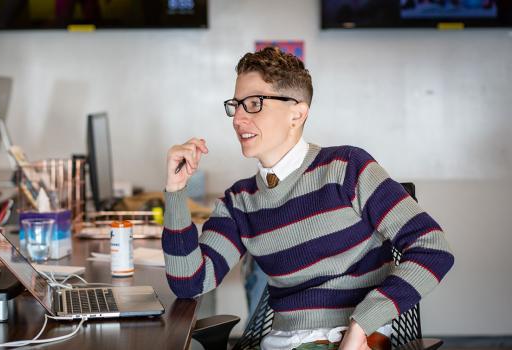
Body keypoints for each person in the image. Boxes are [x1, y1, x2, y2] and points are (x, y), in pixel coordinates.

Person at [161, 47, 454, 350]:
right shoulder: (240, 202)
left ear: (297, 113)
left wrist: (362, 323)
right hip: (281, 343)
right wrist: (175, 190)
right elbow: (190, 284)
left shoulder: (346, 168)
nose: (238, 118)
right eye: (235, 105)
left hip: (351, 342)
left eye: (253, 104)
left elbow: (433, 247)